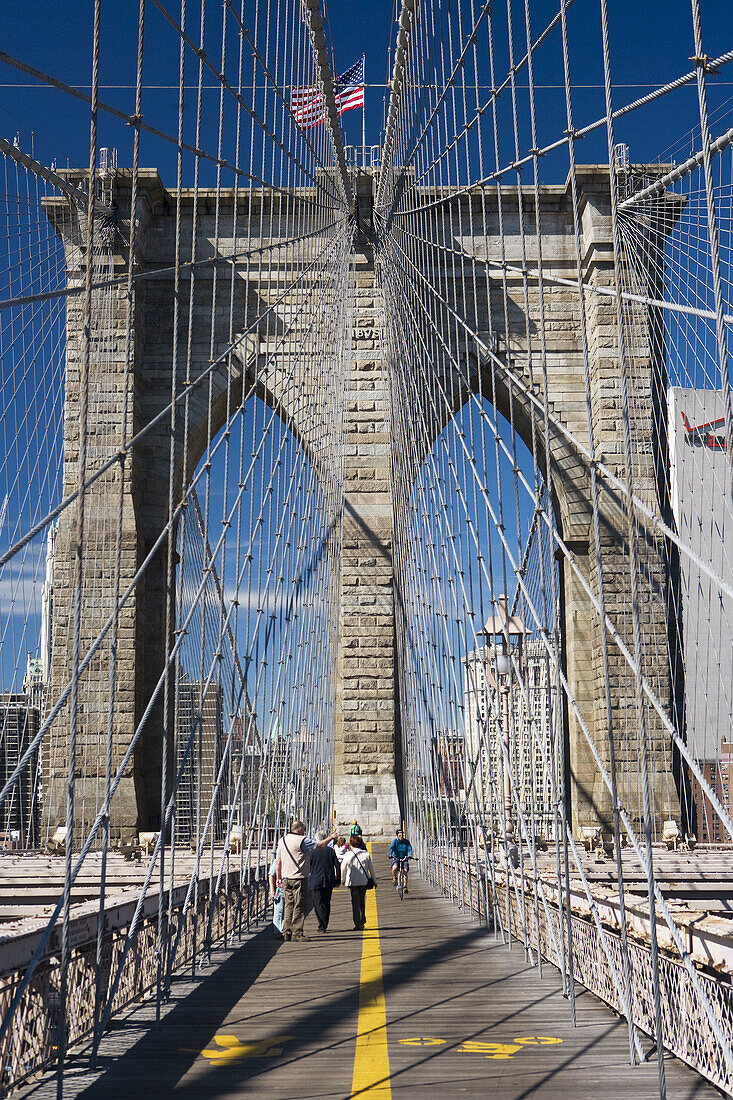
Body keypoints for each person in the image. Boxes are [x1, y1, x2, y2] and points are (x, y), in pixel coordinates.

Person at [276, 821, 337, 941]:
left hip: (286, 878)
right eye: (304, 829)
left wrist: (278, 877)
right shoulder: (302, 840)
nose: (304, 831)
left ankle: (286, 932)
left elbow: (278, 861)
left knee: (289, 905)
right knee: (300, 905)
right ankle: (297, 933)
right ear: (299, 829)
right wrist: (331, 837)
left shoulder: (281, 840)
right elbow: (319, 845)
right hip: (299, 878)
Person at [308, 830, 341, 933]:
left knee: (318, 903)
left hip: (315, 880)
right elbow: (337, 865)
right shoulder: (330, 851)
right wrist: (338, 879)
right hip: (328, 880)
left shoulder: (311, 852)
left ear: (317, 840)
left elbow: (307, 866)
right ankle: (325, 923)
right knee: (327, 902)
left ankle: (322, 925)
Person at [341, 836, 377, 931]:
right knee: (362, 901)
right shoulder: (365, 854)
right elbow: (371, 869)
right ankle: (362, 920)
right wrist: (375, 881)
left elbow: (343, 869)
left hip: (352, 882)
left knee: (355, 903)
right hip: (363, 881)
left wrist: (342, 880)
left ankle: (357, 923)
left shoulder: (348, 855)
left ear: (351, 844)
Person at [268, 854, 285, 936]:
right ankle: (278, 931)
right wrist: (272, 890)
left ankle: (284, 929)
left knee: (286, 911)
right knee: (279, 910)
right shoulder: (277, 861)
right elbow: (271, 875)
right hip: (280, 890)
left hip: (288, 889)